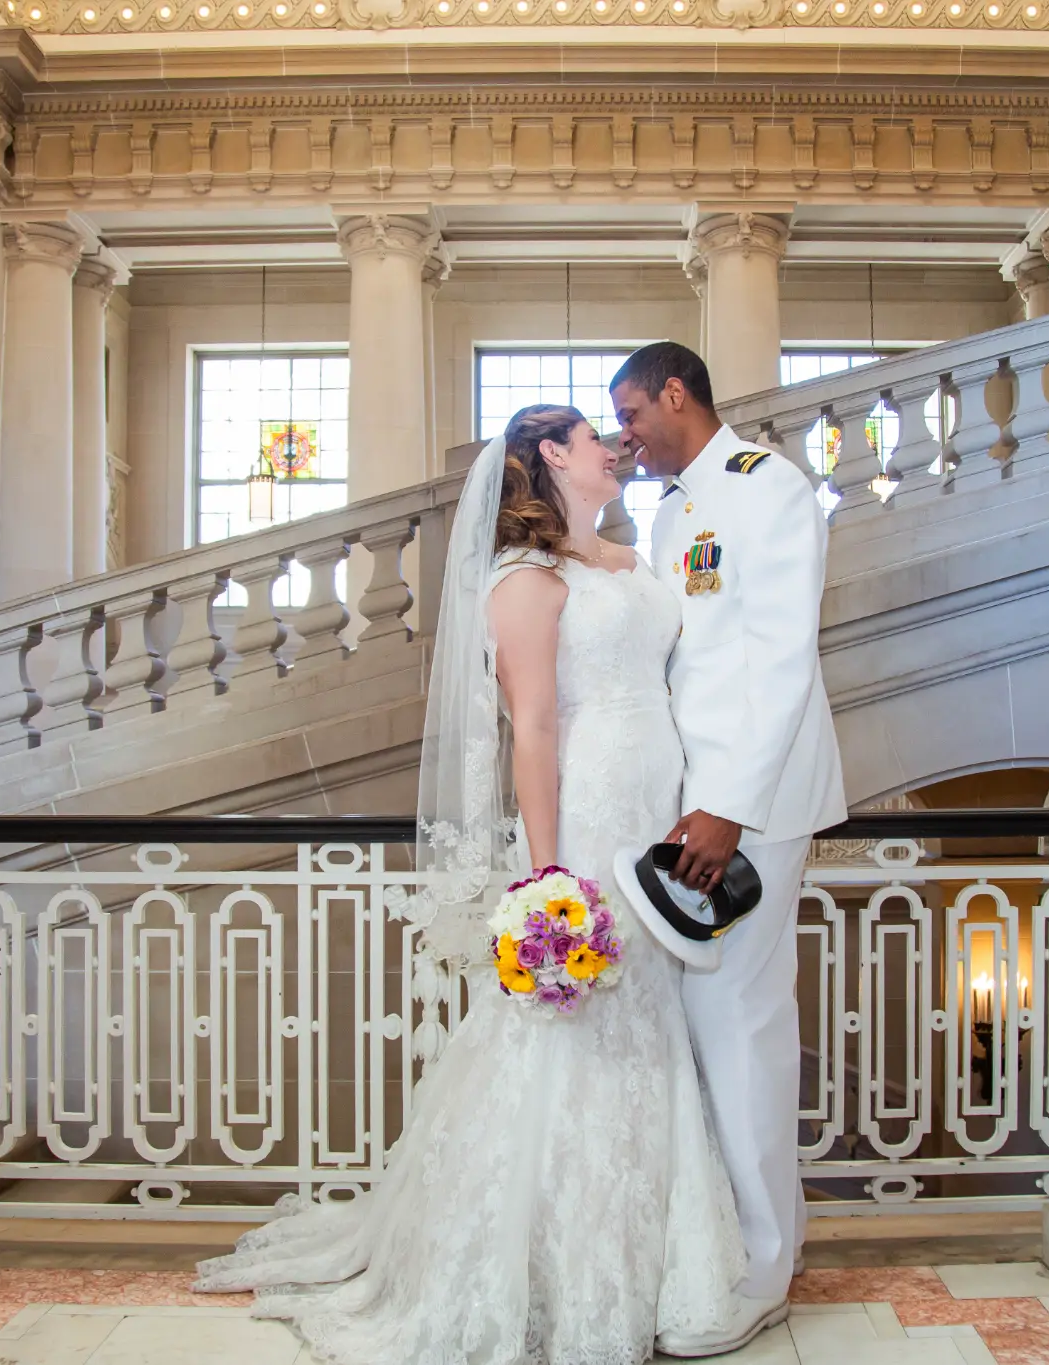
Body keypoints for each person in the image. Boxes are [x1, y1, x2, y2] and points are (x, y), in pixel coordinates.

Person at [194, 404, 747, 1364]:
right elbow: (531, 726)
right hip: (592, 811)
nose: (612, 449)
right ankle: (547, 1270)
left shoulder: (630, 556)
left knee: (648, 1017)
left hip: (663, 796)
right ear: (549, 457)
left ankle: (650, 1262)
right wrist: (548, 874)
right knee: (576, 1028)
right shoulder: (527, 582)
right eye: (590, 439)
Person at [610, 342, 848, 1354]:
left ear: (677, 394)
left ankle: (761, 1268)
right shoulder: (670, 510)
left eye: (631, 413)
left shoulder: (763, 485)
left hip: (750, 805)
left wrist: (728, 807)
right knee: (701, 1026)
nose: (625, 434)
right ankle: (725, 1240)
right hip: (687, 803)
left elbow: (781, 654)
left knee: (740, 1026)